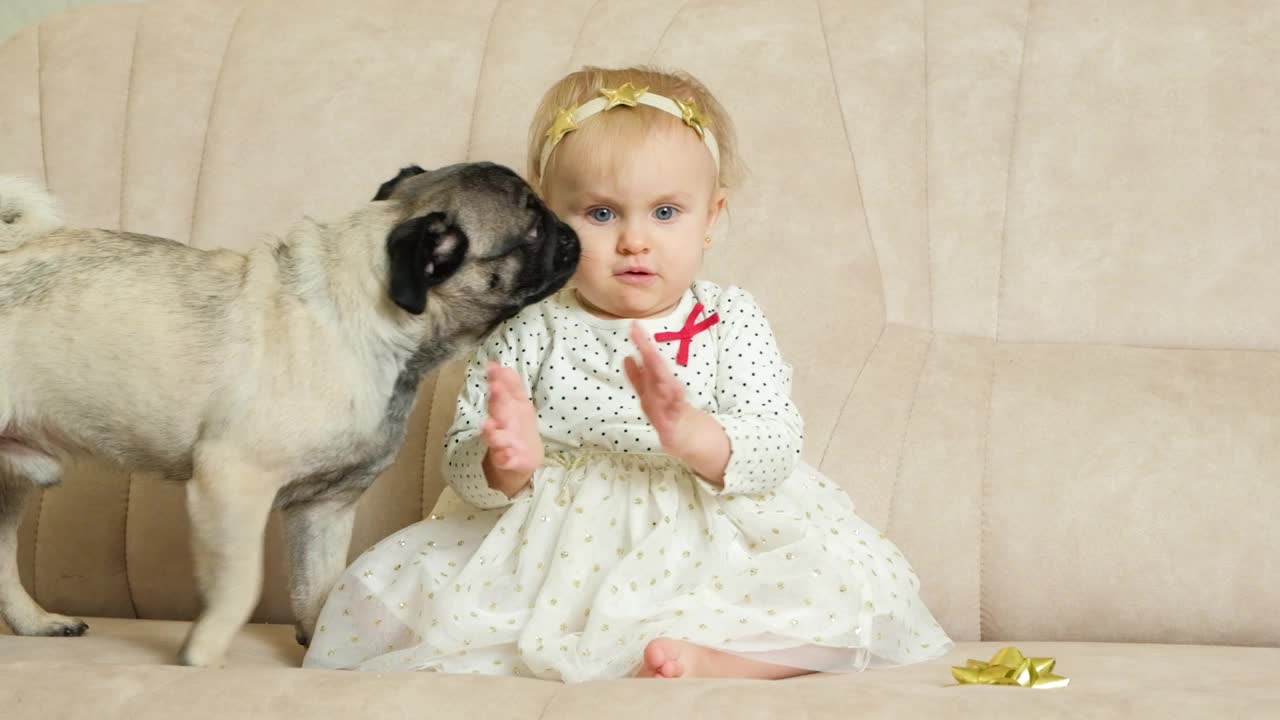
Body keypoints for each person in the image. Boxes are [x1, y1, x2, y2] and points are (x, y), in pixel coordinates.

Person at [303, 66, 952, 682]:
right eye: (602, 214)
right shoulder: (527, 327)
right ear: (549, 223)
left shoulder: (729, 318)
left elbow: (777, 444)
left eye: (665, 213)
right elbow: (463, 466)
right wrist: (507, 460)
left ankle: (721, 659)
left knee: (853, 594)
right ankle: (634, 649)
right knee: (385, 605)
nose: (635, 240)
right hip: (558, 550)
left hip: (706, 533)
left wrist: (698, 436)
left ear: (711, 219)